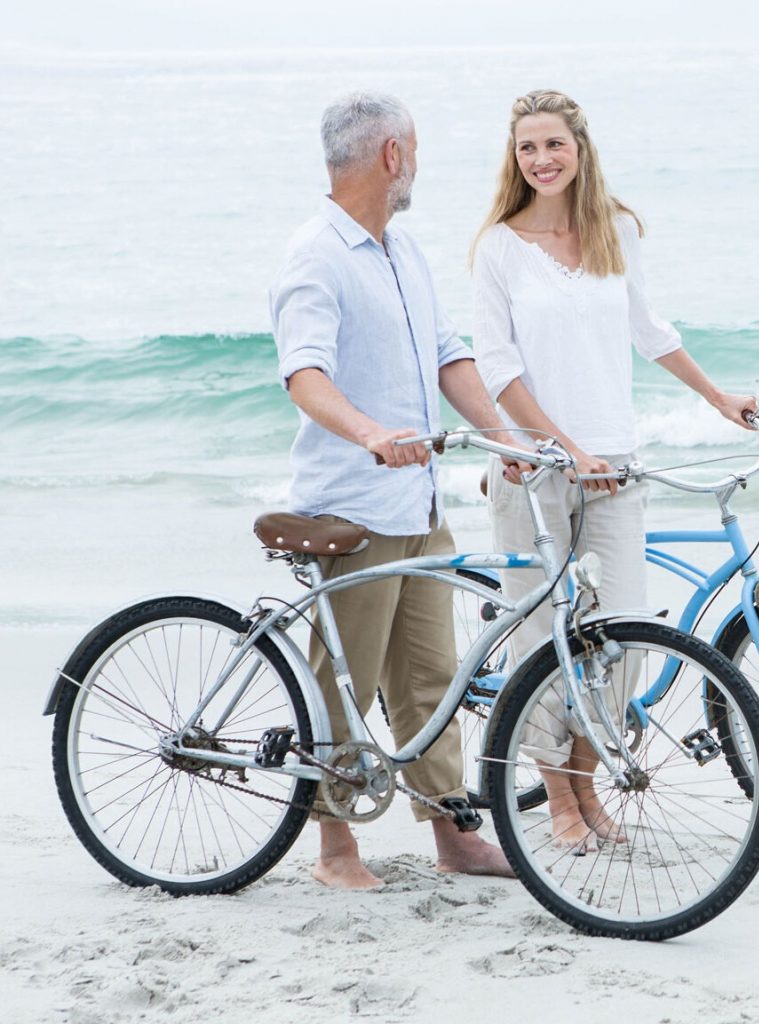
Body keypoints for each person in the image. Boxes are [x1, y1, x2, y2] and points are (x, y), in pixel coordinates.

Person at [471, 88, 757, 852]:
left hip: (613, 461)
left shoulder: (615, 230)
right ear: (515, 156)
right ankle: (560, 801)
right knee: (543, 638)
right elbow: (496, 369)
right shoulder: (498, 246)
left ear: (580, 148)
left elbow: (647, 329)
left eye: (553, 145)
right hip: (533, 465)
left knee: (619, 636)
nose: (541, 160)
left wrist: (716, 395)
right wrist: (564, 448)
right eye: (527, 148)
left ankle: (589, 784)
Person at [269, 91, 521, 889]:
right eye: (415, 147)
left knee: (430, 677)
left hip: (418, 505)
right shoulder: (316, 254)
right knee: (342, 679)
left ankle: (451, 832)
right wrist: (371, 433)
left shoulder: (401, 250)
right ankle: (335, 851)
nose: (419, 162)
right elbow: (303, 374)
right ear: (390, 156)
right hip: (351, 506)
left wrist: (506, 436)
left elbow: (448, 355)